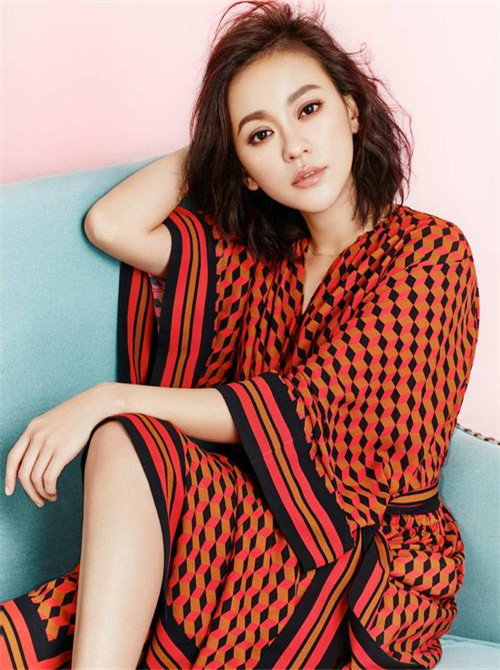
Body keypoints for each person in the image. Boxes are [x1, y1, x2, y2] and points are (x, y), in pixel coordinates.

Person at [1, 1, 480, 668]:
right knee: (24, 641)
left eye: (308, 109)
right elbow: (113, 225)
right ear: (245, 169)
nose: (294, 147)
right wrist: (213, 148)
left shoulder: (431, 253)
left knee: (121, 428)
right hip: (245, 521)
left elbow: (307, 405)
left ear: (351, 110)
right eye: (260, 135)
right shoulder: (259, 262)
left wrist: (109, 397)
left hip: (367, 562)